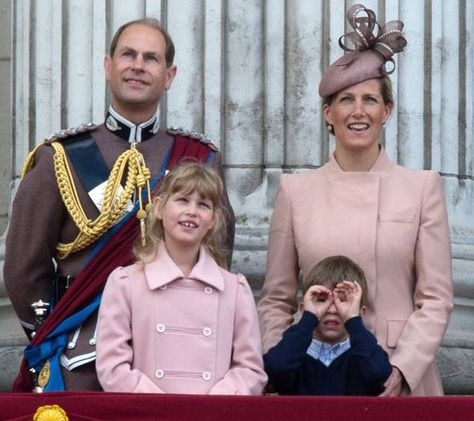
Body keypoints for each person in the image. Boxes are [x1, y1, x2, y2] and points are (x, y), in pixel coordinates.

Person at [4, 17, 235, 392]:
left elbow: (218, 256)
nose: (138, 65)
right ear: (109, 67)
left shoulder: (197, 158)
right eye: (128, 54)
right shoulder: (60, 157)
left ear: (169, 75)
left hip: (179, 351)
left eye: (151, 58)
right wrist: (51, 331)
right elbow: (22, 266)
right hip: (82, 354)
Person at [257, 4, 453, 396]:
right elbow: (275, 299)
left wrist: (402, 369)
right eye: (346, 100)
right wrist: (279, 363)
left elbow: (435, 298)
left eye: (369, 100)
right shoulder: (296, 191)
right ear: (328, 114)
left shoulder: (422, 187)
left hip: (398, 378)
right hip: (315, 378)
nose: (358, 111)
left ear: (387, 110)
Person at [95, 162, 266, 394]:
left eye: (203, 205)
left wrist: (212, 405)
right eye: (182, 200)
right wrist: (162, 408)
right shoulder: (126, 283)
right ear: (158, 209)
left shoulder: (234, 289)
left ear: (213, 220)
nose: (192, 211)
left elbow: (250, 369)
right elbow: (112, 367)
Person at [264, 255, 391, 395]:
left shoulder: (364, 355)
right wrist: (309, 319)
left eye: (343, 301)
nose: (332, 310)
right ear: (304, 308)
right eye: (322, 300)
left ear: (360, 312)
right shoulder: (294, 354)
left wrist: (353, 321)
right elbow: (276, 367)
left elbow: (379, 373)